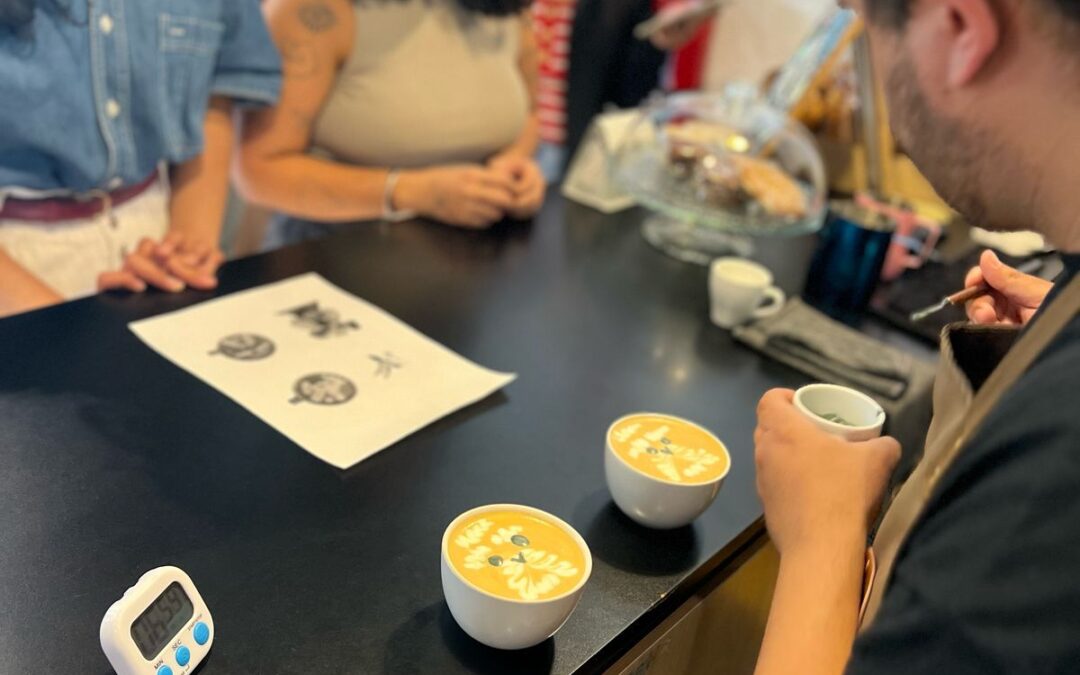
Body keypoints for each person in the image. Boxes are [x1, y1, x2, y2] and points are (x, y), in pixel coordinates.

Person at [750, 0, 1080, 673]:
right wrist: (1054, 336)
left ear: (960, 26)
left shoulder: (1052, 477)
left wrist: (822, 533)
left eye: (866, 25)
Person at [0, 0, 281, 318]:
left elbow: (216, 89)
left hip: (154, 230)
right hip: (15, 253)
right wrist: (52, 324)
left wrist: (184, 252)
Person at [237, 0, 545, 246]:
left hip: (478, 253)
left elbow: (528, 112)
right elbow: (258, 169)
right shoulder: (314, 12)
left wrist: (512, 166)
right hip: (340, 251)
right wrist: (412, 192)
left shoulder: (506, 11)